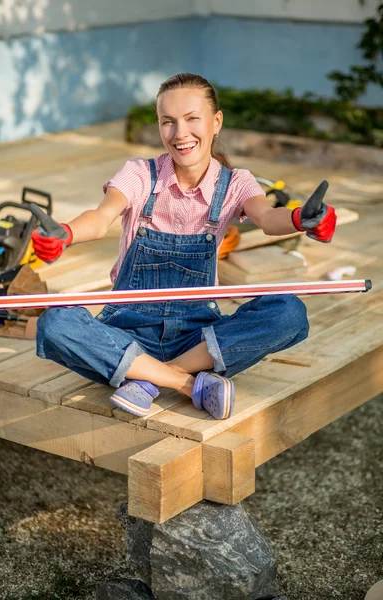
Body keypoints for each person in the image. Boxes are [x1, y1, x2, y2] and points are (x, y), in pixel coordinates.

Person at [32, 73, 336, 420]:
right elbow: (101, 218)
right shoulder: (140, 174)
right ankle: (187, 384)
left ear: (216, 121)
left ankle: (147, 376)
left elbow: (267, 218)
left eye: (192, 119)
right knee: (54, 325)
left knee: (289, 313)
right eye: (168, 122)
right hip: (127, 332)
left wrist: (301, 219)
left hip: (200, 340)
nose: (180, 134)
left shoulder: (236, 183)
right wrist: (66, 233)